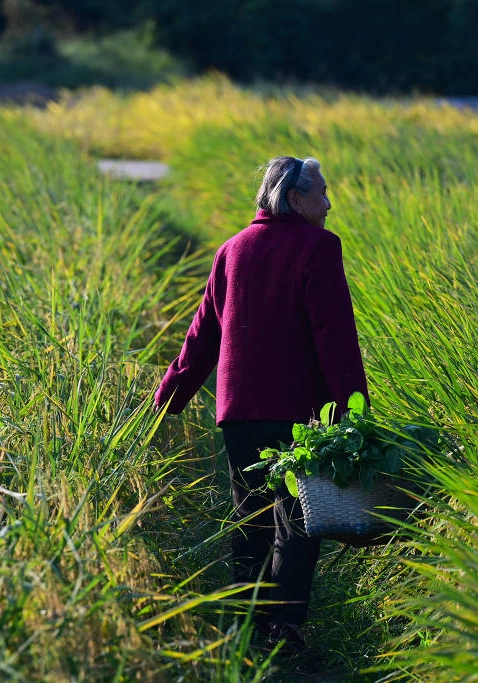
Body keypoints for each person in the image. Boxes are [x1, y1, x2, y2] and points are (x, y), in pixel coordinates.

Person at [152, 156, 369, 652]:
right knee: (297, 517)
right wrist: (356, 412)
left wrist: (167, 399)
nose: (328, 203)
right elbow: (334, 336)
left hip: (239, 408)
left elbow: (202, 333)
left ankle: (244, 623)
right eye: (322, 193)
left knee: (249, 513)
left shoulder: (232, 249)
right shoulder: (319, 246)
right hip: (298, 412)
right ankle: (285, 628)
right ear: (296, 198)